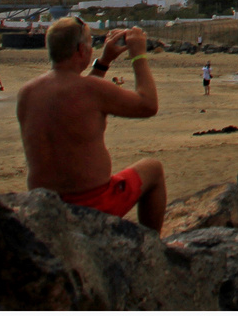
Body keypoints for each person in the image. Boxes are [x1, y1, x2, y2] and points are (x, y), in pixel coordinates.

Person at [16, 18, 166, 230]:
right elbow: (148, 105)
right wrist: (138, 56)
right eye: (90, 44)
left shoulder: (28, 92)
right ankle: (153, 248)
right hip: (92, 203)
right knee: (153, 169)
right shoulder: (91, 90)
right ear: (80, 49)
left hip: (46, 203)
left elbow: (74, 95)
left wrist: (104, 60)